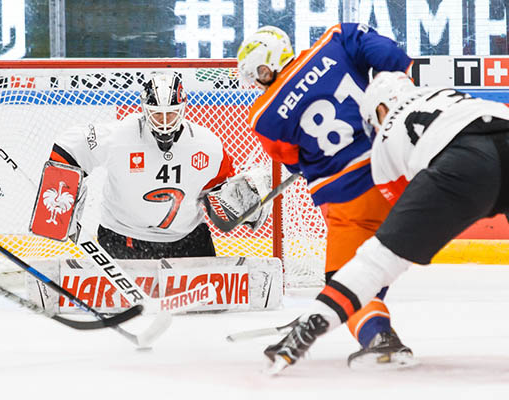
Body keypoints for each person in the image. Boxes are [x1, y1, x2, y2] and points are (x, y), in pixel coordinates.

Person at [263, 71, 509, 372]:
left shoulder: (385, 138)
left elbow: (403, 224)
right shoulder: (443, 93)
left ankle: (314, 326)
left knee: (376, 260)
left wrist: (336, 301)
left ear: (380, 109)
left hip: (461, 165)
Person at [236, 24, 414, 368]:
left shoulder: (264, 116)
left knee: (345, 282)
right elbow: (394, 58)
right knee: (370, 265)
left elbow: (291, 160)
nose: (257, 83)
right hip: (404, 169)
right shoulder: (337, 39)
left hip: (353, 196)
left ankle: (379, 337)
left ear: (265, 66)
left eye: (256, 74)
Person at [49, 71, 267, 259]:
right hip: (122, 238)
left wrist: (241, 204)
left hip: (187, 240)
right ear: (145, 110)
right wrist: (60, 192)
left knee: (210, 298)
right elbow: (71, 145)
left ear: (182, 109)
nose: (164, 122)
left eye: (170, 114)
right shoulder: (120, 136)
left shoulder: (208, 146)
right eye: (156, 115)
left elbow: (218, 195)